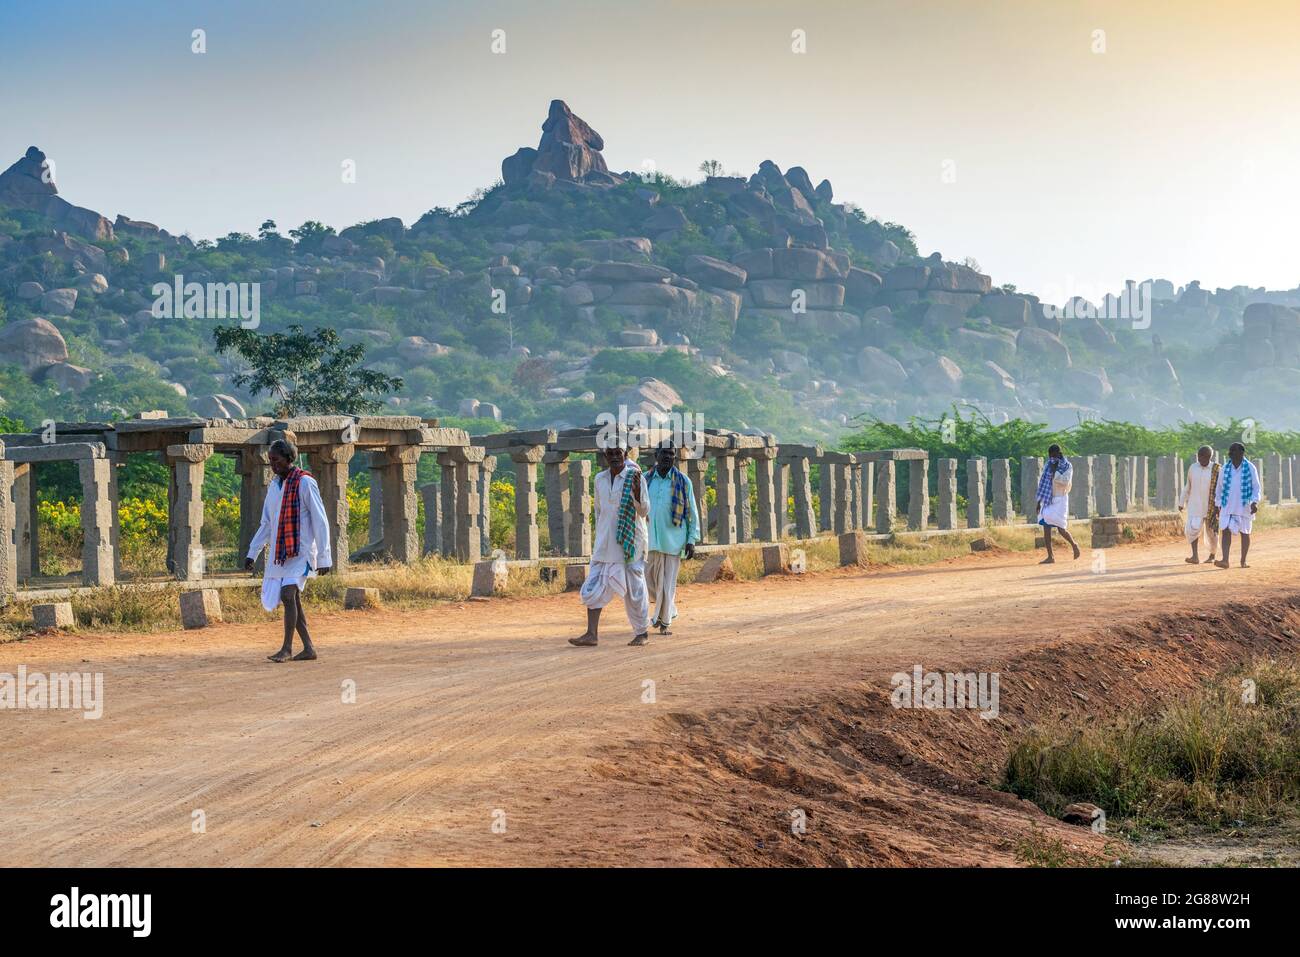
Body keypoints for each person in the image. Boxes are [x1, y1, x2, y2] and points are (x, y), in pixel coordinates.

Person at [245, 439, 332, 662]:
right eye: (270, 461)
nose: (272, 465)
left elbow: (320, 520)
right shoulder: (274, 486)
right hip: (281, 553)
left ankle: (286, 648)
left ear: (289, 459)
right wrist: (252, 553)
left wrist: (324, 557)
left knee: (287, 594)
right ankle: (309, 648)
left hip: (301, 551)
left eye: (276, 460)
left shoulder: (305, 483)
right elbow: (266, 523)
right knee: (293, 600)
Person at [569, 445, 651, 647]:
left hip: (631, 541)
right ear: (605, 456)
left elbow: (644, 511)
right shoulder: (599, 479)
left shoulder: (636, 477)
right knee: (594, 583)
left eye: (618, 453)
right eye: (610, 453)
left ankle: (642, 633)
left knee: (635, 589)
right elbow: (599, 511)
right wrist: (599, 538)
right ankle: (591, 634)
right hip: (605, 542)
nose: (614, 457)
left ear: (625, 455)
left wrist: (638, 491)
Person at [643, 442, 700, 638]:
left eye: (672, 454)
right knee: (649, 581)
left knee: (667, 584)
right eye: (664, 453)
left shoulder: (683, 481)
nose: (668, 457)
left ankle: (663, 622)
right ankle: (669, 609)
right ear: (656, 456)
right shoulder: (646, 479)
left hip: (673, 540)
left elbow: (692, 512)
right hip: (648, 541)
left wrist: (691, 539)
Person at [1213, 442, 1260, 569]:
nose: (1231, 453)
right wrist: (1217, 504)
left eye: (1234, 451)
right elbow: (1219, 487)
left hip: (1244, 506)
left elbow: (1256, 487)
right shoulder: (1225, 468)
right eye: (1230, 451)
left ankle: (1243, 561)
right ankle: (1225, 560)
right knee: (1225, 531)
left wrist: (1255, 502)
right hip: (1227, 505)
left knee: (1245, 533)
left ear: (1242, 453)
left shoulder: (1250, 468)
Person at [1035, 444, 1081, 563]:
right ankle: (1051, 556)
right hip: (1048, 499)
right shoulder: (1048, 464)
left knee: (1061, 528)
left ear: (1058, 454)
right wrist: (1039, 502)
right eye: (1050, 456)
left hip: (1060, 499)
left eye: (1054, 455)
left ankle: (1074, 545)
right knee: (1046, 526)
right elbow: (1043, 483)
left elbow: (1065, 482)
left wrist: (1055, 472)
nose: (1052, 458)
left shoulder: (1067, 466)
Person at [1178, 446, 1218, 564]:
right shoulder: (1193, 468)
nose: (1201, 459)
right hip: (1195, 505)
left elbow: (1220, 489)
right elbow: (1188, 486)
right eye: (1200, 456)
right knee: (1192, 529)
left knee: (1212, 532)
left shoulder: (1216, 469)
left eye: (1205, 457)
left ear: (1210, 457)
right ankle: (1195, 556)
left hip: (1211, 506)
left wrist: (1219, 505)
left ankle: (1212, 555)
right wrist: (1181, 502)